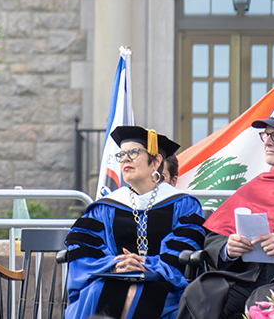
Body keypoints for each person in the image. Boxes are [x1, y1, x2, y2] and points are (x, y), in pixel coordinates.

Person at [177, 103, 274, 319]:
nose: (268, 142)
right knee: (199, 294)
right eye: (266, 135)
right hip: (249, 275)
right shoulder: (256, 186)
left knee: (263, 303)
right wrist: (228, 247)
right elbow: (214, 237)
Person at [65, 126, 205, 319]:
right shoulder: (106, 207)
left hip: (163, 283)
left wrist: (146, 265)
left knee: (135, 294)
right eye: (121, 154)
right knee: (98, 290)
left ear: (156, 161)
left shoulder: (184, 205)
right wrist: (116, 264)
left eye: (133, 152)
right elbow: (83, 245)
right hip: (111, 277)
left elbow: (184, 249)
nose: (125, 159)